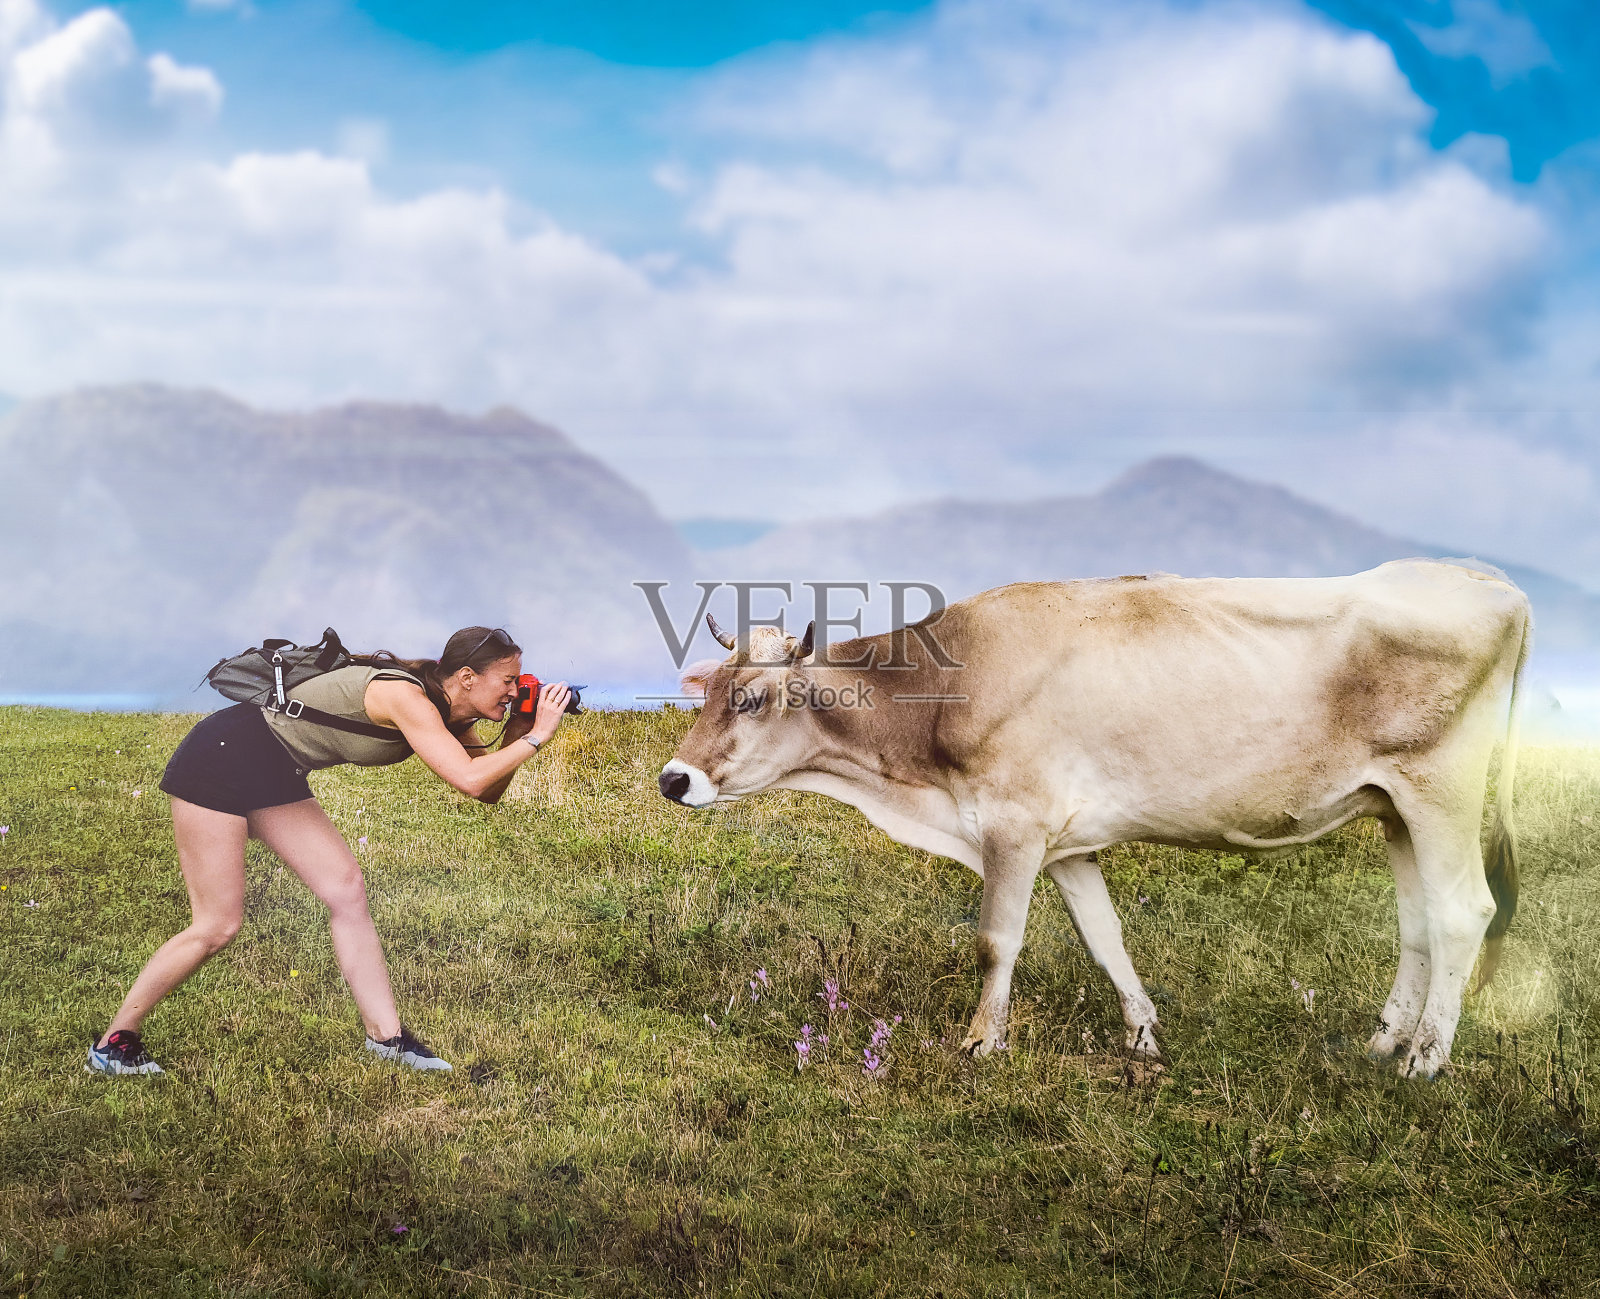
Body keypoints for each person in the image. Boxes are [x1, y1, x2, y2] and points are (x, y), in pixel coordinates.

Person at [86, 627, 571, 1077]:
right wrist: (537, 734)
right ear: (467, 677)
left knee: (345, 891)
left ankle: (388, 1039)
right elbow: (469, 780)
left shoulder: (451, 711)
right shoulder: (404, 695)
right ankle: (114, 1043)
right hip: (220, 757)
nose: (515, 691)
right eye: (508, 681)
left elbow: (487, 790)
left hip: (274, 770)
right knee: (217, 924)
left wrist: (516, 731)